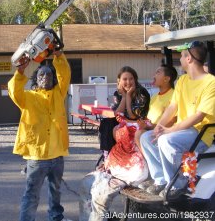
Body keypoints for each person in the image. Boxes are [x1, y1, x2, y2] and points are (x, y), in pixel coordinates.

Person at [140, 41, 215, 199]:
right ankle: (161, 179)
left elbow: (198, 116)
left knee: (166, 141)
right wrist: (159, 127)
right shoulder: (182, 81)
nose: (180, 59)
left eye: (182, 56)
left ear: (189, 59)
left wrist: (171, 130)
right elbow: (172, 107)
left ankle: (178, 184)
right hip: (183, 131)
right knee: (147, 137)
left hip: (200, 133)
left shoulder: (211, 83)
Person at [8, 49, 72, 221]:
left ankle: (56, 217)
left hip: (58, 156)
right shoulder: (27, 97)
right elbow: (14, 91)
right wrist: (20, 70)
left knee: (56, 192)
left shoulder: (59, 94)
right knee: (31, 194)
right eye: (42, 75)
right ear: (36, 79)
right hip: (36, 157)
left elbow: (64, 74)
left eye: (50, 75)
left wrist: (58, 55)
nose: (46, 78)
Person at [79, 66, 150, 221]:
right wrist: (124, 96)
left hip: (138, 124)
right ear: (119, 81)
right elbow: (118, 113)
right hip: (124, 123)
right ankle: (107, 156)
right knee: (106, 123)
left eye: (131, 78)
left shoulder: (141, 93)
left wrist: (129, 96)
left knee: (114, 125)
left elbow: (133, 116)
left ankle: (118, 160)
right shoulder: (118, 93)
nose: (128, 82)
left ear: (135, 80)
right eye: (124, 79)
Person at [135, 65, 178, 151]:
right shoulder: (154, 97)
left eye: (158, 73)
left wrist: (149, 127)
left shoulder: (174, 96)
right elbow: (149, 119)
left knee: (139, 134)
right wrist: (144, 123)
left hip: (164, 132)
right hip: (152, 130)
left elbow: (172, 121)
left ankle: (148, 162)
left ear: (166, 79)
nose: (154, 76)